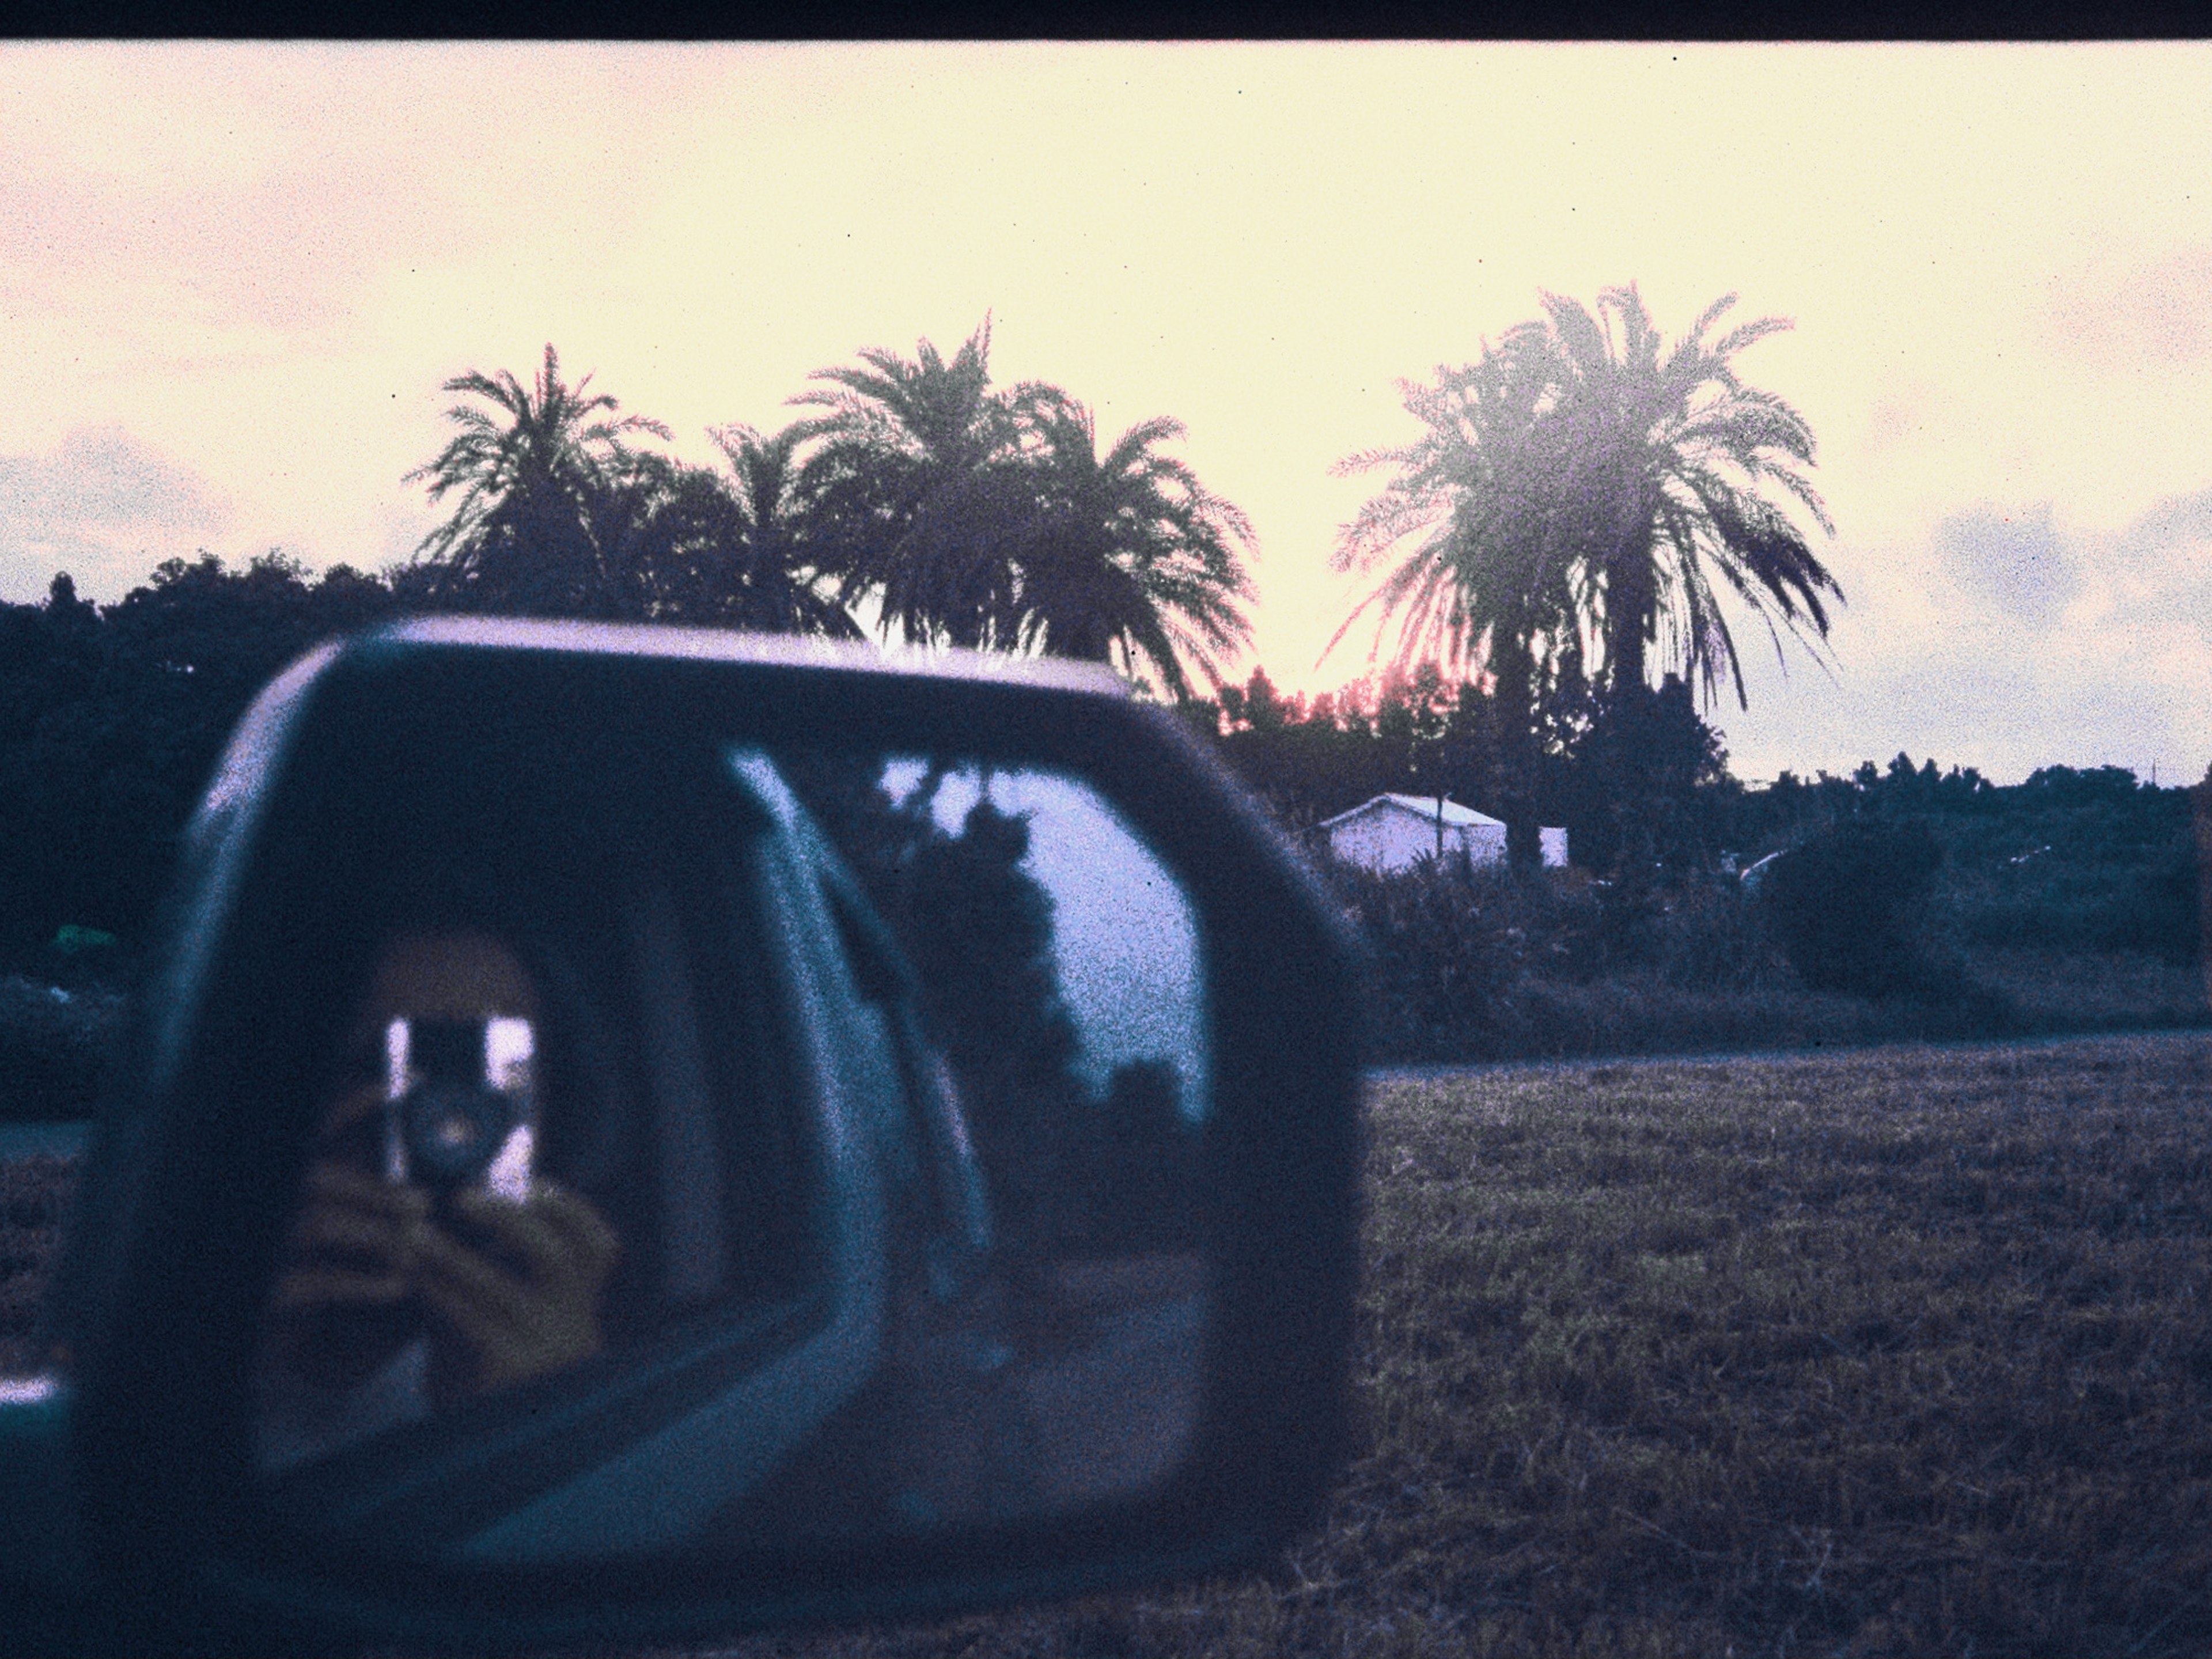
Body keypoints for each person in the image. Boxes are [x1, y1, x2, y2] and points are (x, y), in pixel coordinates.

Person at [256, 927, 619, 1472]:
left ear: (554, 1131)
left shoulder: (541, 1362)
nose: (441, 1122)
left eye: (491, 1076)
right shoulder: (193, 1315)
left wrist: (554, 1419)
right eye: (372, 1069)